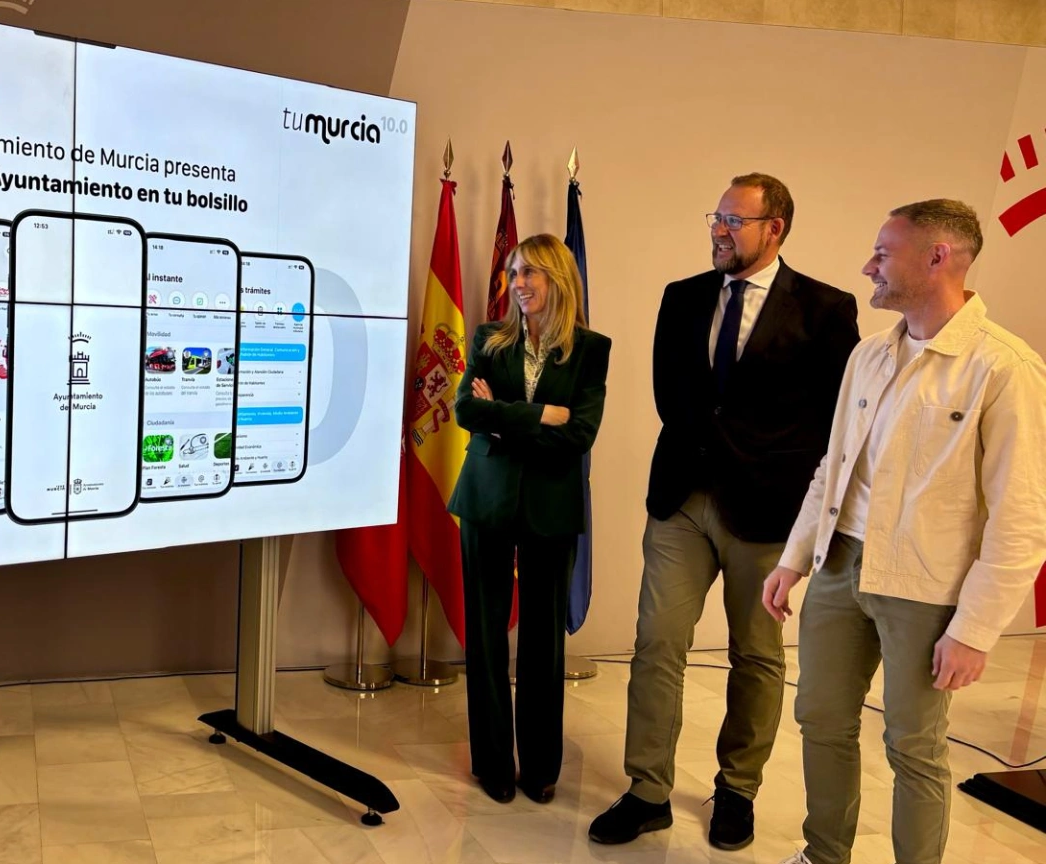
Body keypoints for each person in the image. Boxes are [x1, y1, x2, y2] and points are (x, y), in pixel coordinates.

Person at [763, 200, 1046, 864]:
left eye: (883, 254)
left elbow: (1022, 516)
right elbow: (833, 466)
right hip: (840, 566)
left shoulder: (1003, 367)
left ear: (937, 257)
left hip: (925, 585)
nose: (869, 266)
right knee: (820, 718)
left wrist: (975, 630)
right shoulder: (868, 355)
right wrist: (795, 557)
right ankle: (823, 855)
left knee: (913, 744)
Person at [590, 174, 860, 850]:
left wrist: (785, 489)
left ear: (776, 228)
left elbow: (834, 420)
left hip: (767, 510)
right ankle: (646, 790)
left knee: (756, 655)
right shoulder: (681, 296)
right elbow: (669, 394)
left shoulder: (826, 309)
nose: (719, 229)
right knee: (657, 641)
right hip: (681, 497)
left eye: (735, 220)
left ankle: (737, 790)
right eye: (716, 216)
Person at [447, 233, 612, 805]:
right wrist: (542, 414)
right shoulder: (488, 339)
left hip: (551, 506)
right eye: (514, 273)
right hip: (485, 499)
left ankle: (540, 766)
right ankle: (492, 762)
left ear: (557, 279)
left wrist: (503, 420)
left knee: (544, 642)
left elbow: (580, 434)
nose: (517, 284)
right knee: (486, 635)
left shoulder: (591, 349)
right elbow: (466, 409)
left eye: (529, 273)